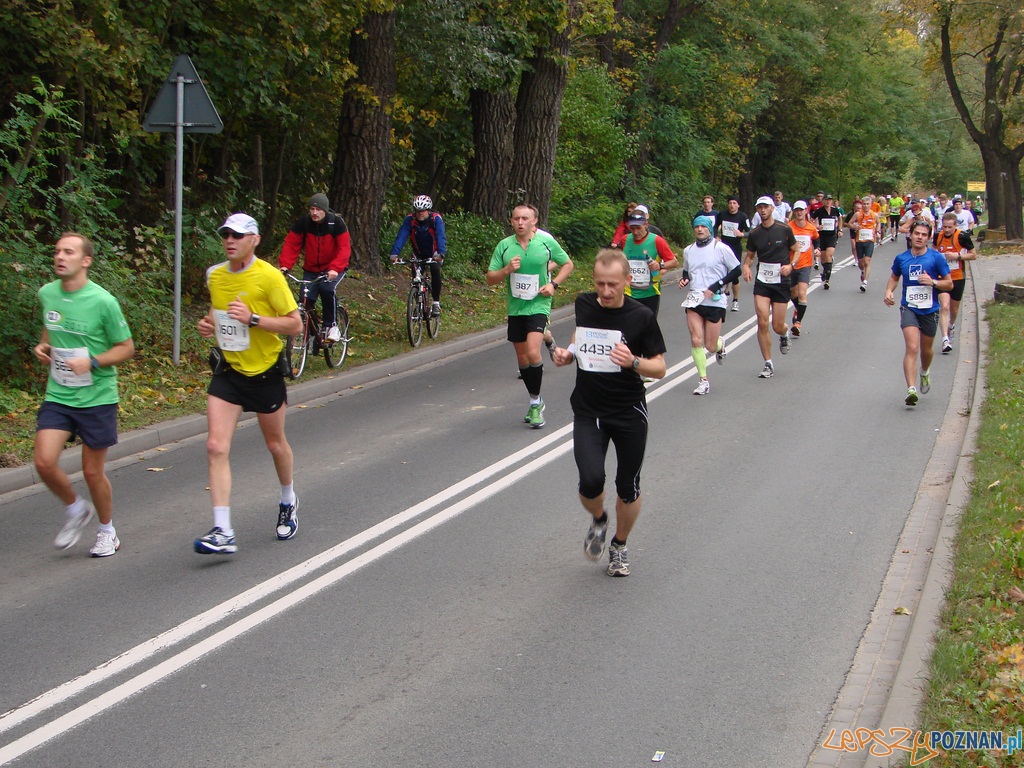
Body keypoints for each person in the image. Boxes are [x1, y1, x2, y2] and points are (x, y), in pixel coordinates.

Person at [551, 249, 667, 577]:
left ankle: (619, 544)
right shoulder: (584, 304)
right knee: (590, 482)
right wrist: (569, 353)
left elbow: (660, 368)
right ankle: (600, 519)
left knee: (628, 486)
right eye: (600, 283)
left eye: (612, 284)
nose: (605, 291)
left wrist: (633, 361)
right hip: (589, 410)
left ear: (627, 280)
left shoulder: (642, 316)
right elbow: (581, 334)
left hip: (629, 411)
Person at [195, 214, 303, 555]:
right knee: (215, 446)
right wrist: (208, 324)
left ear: (254, 240)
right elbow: (217, 312)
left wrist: (253, 319)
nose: (230, 240)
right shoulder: (215, 275)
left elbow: (295, 325)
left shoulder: (269, 276)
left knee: (275, 445)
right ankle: (223, 530)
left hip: (265, 372)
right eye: (226, 234)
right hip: (229, 372)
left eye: (238, 235)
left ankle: (288, 498)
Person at [33, 233, 135, 557]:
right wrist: (43, 346)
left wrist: (92, 361)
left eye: (69, 252)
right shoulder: (48, 293)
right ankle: (77, 508)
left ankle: (107, 531)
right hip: (59, 393)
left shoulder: (104, 301)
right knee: (43, 462)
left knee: (92, 472)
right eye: (57, 251)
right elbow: (51, 328)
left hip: (97, 397)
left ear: (86, 261)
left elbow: (126, 348)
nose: (60, 257)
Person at [487, 204, 574, 428]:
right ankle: (535, 398)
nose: (520, 222)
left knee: (533, 352)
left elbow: (567, 264)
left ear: (534, 221)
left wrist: (553, 284)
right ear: (511, 221)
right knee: (523, 358)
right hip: (516, 308)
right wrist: (506, 270)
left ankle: (535, 403)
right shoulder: (505, 246)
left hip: (539, 305)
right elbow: (490, 278)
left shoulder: (545, 242)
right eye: (516, 218)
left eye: (525, 218)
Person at [884, 220, 953, 406]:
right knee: (912, 347)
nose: (919, 237)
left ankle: (924, 371)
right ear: (911, 235)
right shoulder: (902, 258)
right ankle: (911, 389)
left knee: (926, 350)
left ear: (928, 238)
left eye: (923, 235)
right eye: (917, 234)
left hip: (930, 309)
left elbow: (949, 284)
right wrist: (888, 291)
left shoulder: (936, 258)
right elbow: (894, 278)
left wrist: (933, 282)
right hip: (909, 307)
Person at [679, 216, 742, 394]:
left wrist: (717, 284)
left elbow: (736, 270)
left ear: (710, 229)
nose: (699, 229)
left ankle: (720, 344)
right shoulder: (688, 250)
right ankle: (703, 380)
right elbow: (686, 271)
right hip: (695, 299)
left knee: (711, 346)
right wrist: (684, 279)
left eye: (703, 226)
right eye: (696, 226)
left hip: (715, 300)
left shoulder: (720, 248)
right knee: (696, 340)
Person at [278, 193, 350, 342]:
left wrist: (335, 268)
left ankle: (332, 326)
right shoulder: (304, 223)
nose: (314, 213)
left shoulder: (336, 224)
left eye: (318, 210)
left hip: (332, 269)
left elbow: (344, 248)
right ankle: (311, 335)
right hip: (311, 269)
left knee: (326, 289)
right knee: (305, 299)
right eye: (311, 209)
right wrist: (285, 266)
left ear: (325, 210)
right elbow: (291, 244)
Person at [744, 195, 799, 378]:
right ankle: (768, 363)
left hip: (781, 280)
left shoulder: (784, 229)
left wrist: (791, 266)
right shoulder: (755, 233)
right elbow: (750, 255)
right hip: (762, 281)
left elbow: (796, 250)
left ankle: (784, 333)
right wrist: (746, 267)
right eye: (759, 207)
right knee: (762, 321)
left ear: (772, 209)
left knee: (777, 325)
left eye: (765, 207)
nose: (762, 210)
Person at [389, 194, 447, 316]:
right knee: (416, 277)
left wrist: (441, 253)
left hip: (434, 253)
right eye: (417, 210)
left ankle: (436, 303)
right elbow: (401, 236)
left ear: (428, 210)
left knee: (435, 270)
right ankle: (418, 304)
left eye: (423, 211)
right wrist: (394, 253)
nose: (420, 213)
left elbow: (440, 236)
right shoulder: (410, 220)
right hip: (418, 253)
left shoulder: (435, 219)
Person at [932, 212, 977, 353]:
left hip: (957, 277)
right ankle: (945, 339)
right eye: (944, 227)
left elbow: (973, 255)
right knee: (944, 306)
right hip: (942, 278)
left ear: (955, 226)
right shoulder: (938, 236)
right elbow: (933, 251)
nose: (946, 230)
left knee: (954, 309)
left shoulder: (962, 236)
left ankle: (951, 325)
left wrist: (957, 256)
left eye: (949, 227)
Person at [621, 206, 677, 318]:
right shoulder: (625, 240)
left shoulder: (656, 240)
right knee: (630, 325)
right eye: (632, 228)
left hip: (650, 293)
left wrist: (660, 265)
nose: (635, 232)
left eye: (638, 228)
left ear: (646, 224)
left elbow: (674, 262)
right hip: (629, 292)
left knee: (648, 325)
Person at [787, 201, 821, 336]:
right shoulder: (788, 228)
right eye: (797, 210)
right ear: (794, 212)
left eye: (801, 210)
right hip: (791, 265)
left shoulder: (811, 228)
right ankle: (798, 308)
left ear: (806, 211)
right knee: (792, 293)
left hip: (805, 265)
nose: (799, 213)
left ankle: (797, 323)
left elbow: (816, 238)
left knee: (802, 293)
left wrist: (817, 248)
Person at [716, 195, 750, 311]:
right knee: (723, 272)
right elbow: (715, 226)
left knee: (734, 275)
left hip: (735, 248)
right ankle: (725, 294)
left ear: (738, 205)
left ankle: (735, 300)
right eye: (730, 203)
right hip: (723, 247)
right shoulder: (722, 214)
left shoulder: (742, 217)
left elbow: (750, 232)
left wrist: (742, 234)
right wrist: (716, 236)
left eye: (734, 203)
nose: (732, 205)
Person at [847, 195, 881, 292]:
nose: (866, 206)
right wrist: (855, 227)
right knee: (861, 263)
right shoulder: (858, 214)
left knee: (867, 261)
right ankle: (862, 271)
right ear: (862, 205)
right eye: (864, 204)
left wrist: (877, 231)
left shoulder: (874, 215)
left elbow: (878, 223)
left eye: (867, 204)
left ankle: (865, 282)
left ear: (870, 205)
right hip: (859, 241)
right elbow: (849, 223)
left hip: (870, 241)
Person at [810, 193, 843, 289]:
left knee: (829, 255)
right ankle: (825, 271)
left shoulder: (835, 210)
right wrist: (817, 226)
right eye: (826, 200)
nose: (828, 202)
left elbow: (840, 218)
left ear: (831, 201)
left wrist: (840, 229)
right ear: (823, 201)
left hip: (832, 236)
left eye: (830, 200)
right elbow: (811, 220)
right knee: (823, 258)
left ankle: (827, 280)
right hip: (822, 236)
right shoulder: (819, 211)